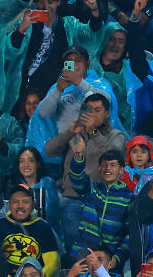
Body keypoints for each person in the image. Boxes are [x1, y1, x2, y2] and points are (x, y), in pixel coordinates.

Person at [44, 92, 128, 255]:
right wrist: (69, 132)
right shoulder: (76, 134)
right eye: (88, 110)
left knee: (95, 251)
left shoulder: (116, 135)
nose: (92, 114)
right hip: (71, 199)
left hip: (100, 202)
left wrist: (95, 133)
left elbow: (113, 154)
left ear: (107, 113)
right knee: (73, 250)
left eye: (97, 110)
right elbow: (50, 150)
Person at [26, 44, 122, 181]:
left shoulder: (100, 83)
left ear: (87, 64)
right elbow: (44, 113)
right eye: (69, 61)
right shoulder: (59, 86)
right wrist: (58, 90)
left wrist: (79, 82)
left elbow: (107, 100)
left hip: (97, 145)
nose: (73, 64)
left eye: (78, 60)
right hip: (66, 147)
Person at [68, 147, 133, 268]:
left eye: (113, 165)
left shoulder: (129, 198)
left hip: (109, 257)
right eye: (104, 165)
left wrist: (118, 256)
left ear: (121, 170)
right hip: (83, 252)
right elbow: (77, 178)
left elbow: (130, 234)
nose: (108, 169)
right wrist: (78, 156)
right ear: (99, 168)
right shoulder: (92, 189)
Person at [9, 146, 60, 228]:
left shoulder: (48, 184)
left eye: (31, 160)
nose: (26, 165)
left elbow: (54, 217)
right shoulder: (12, 185)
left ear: (38, 164)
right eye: (22, 161)